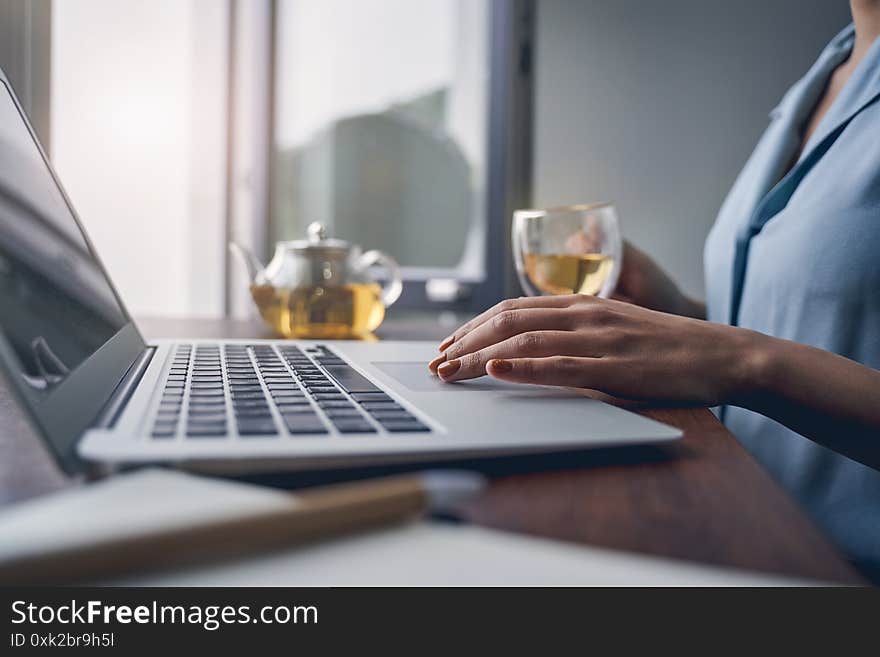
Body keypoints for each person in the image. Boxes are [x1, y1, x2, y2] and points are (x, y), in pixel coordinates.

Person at [428, 2, 880, 576]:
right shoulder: (829, 71)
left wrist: (740, 361)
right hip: (744, 521)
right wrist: (677, 313)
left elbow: (761, 359)